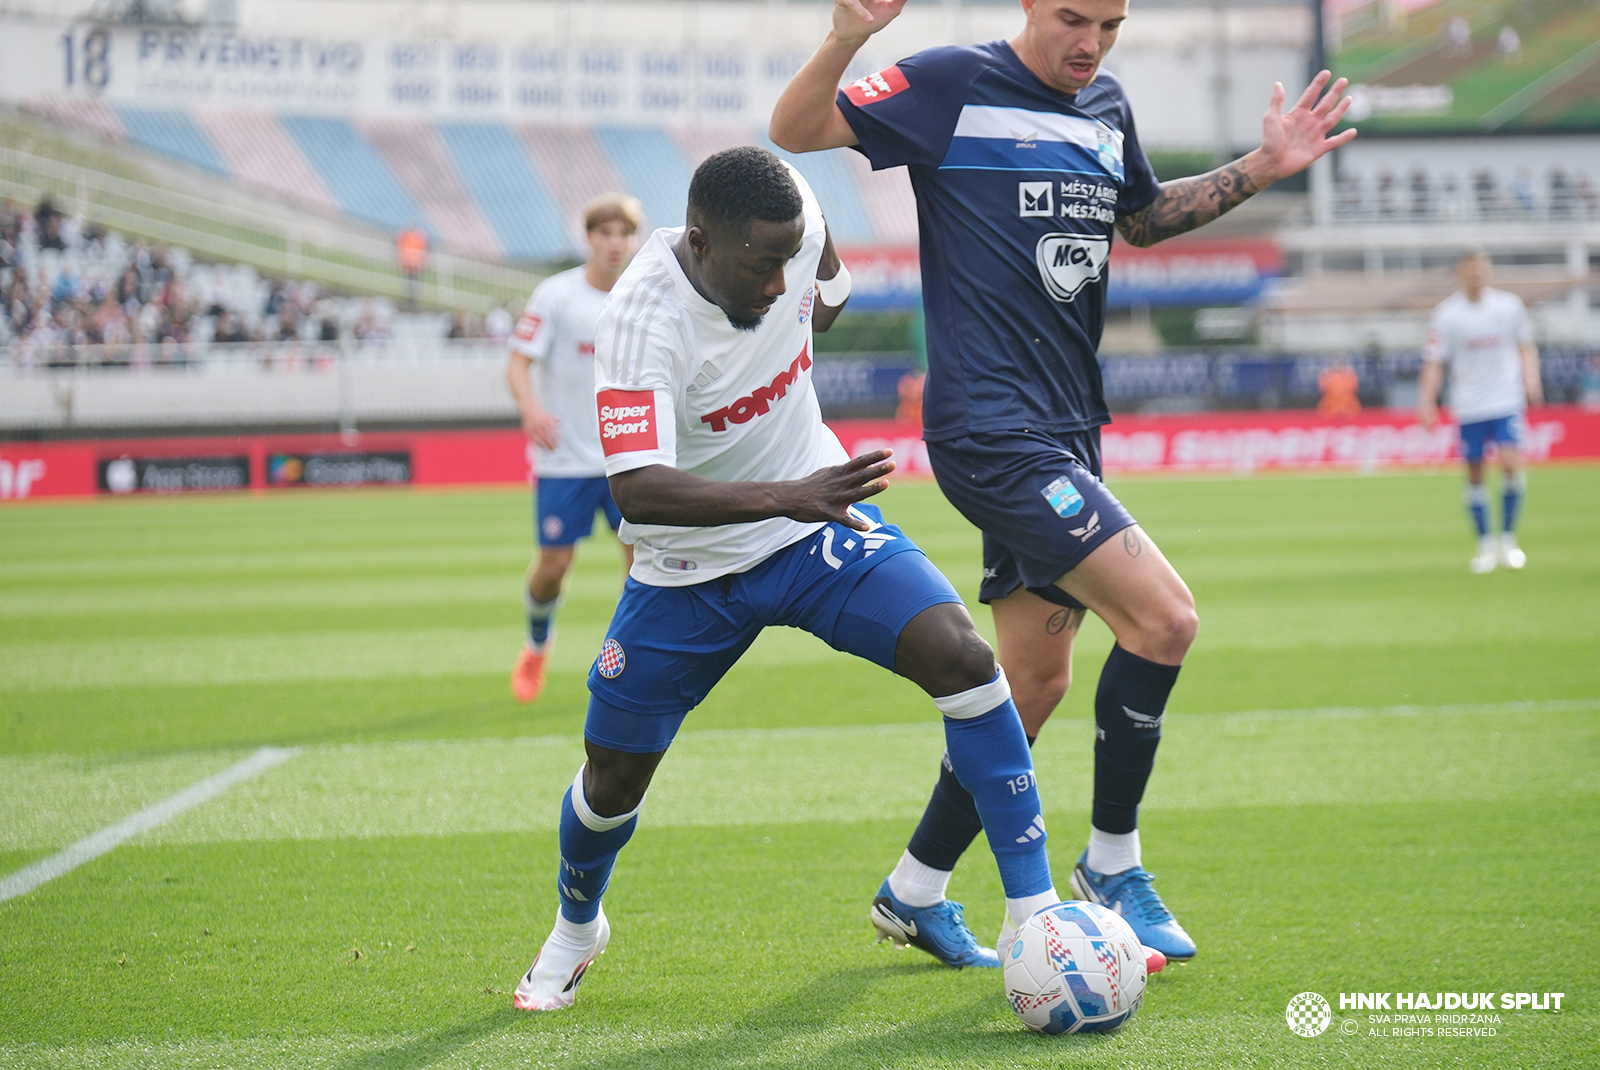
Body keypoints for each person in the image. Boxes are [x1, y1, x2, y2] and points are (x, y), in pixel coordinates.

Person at [770, 0, 1355, 964]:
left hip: (1068, 432)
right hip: (992, 432)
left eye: (1112, 27)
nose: (1091, 44)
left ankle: (914, 890)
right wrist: (845, 37)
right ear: (1033, 7)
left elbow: (1147, 218)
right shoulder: (952, 83)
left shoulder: (1105, 105)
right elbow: (795, 131)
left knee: (1032, 686)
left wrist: (1263, 166)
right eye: (1075, 19)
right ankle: (1113, 863)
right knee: (1164, 620)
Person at [511, 147, 1059, 1011]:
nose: (777, 283)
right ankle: (578, 926)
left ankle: (1039, 915)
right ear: (699, 241)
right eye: (759, 265)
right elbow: (638, 491)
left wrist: (807, 287)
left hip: (815, 525)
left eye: (785, 259)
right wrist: (788, 497)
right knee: (612, 778)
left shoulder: (792, 218)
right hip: (689, 570)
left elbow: (827, 297)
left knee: (962, 658)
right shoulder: (639, 321)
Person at [505, 194, 643, 703]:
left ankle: (626, 666)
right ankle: (537, 646)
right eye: (604, 233)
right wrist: (531, 409)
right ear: (589, 239)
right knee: (553, 567)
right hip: (564, 457)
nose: (614, 243)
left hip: (628, 455)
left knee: (642, 567)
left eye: (623, 234)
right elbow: (518, 363)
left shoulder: (641, 296)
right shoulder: (555, 295)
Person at [1417, 248, 1542, 574]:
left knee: (1511, 463)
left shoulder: (1509, 306)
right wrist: (1427, 402)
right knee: (1475, 473)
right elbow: (1434, 362)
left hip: (1506, 400)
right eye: (1470, 270)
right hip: (1469, 404)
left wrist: (1531, 378)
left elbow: (1525, 345)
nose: (1476, 275)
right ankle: (1485, 544)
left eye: (1481, 269)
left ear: (1489, 272)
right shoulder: (1447, 315)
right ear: (1460, 274)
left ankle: (1509, 540)